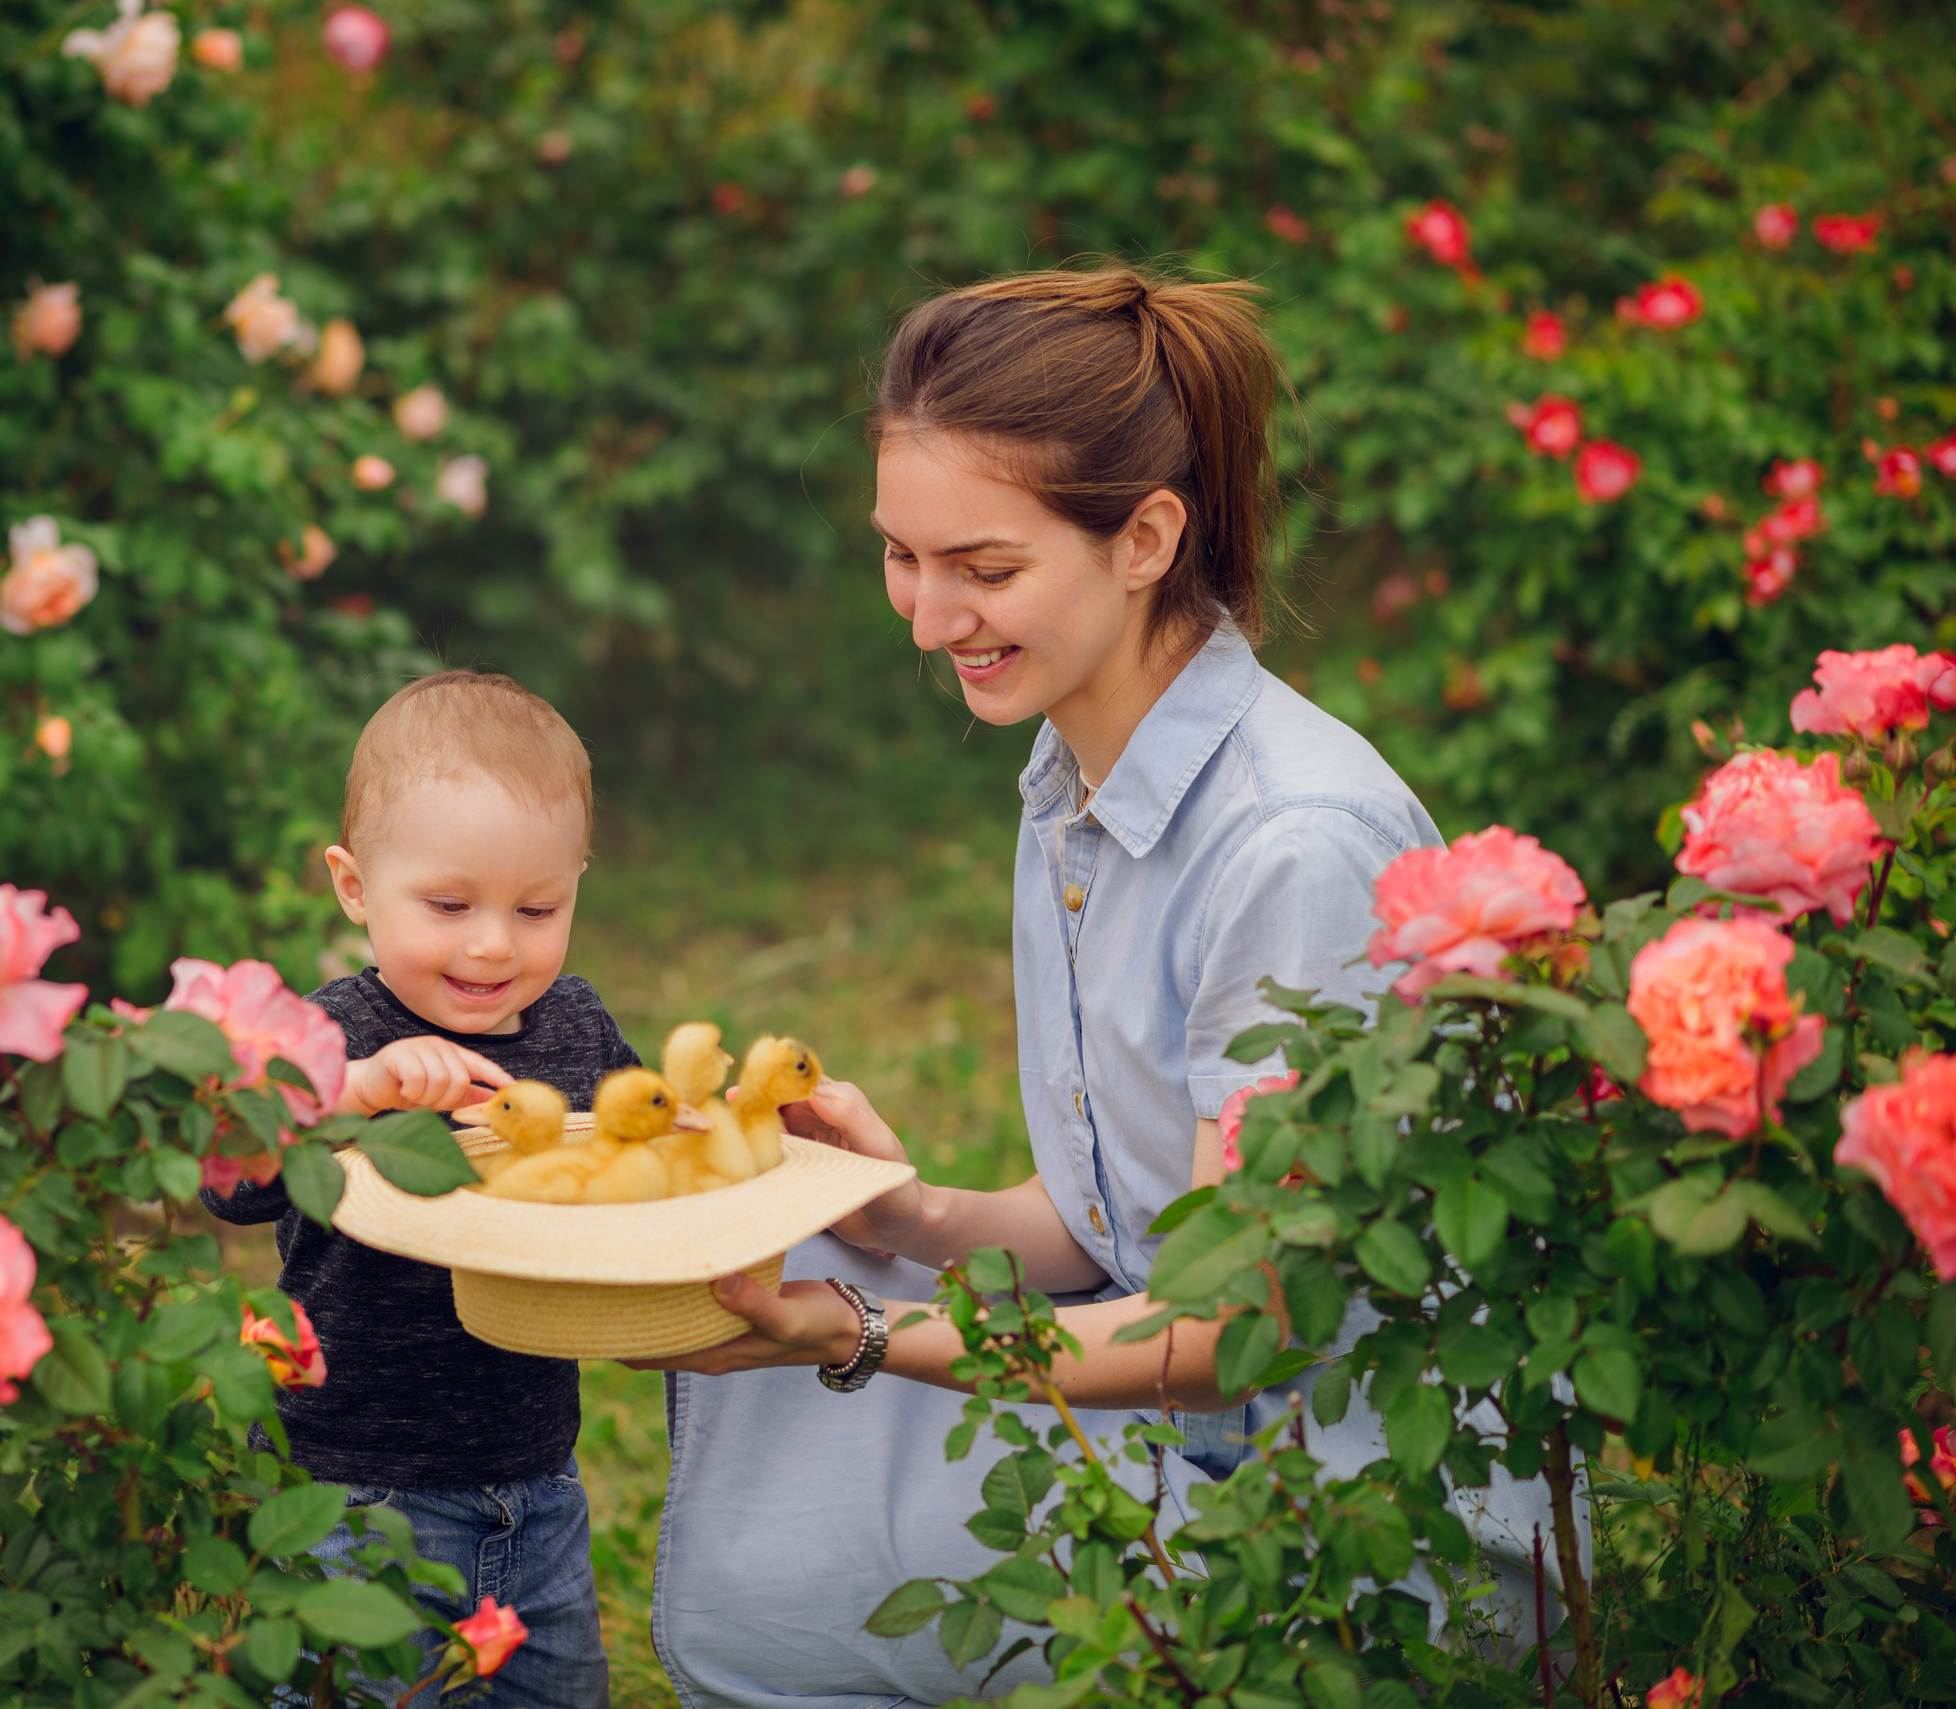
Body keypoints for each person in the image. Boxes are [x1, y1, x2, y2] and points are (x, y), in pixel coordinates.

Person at [638, 267, 1558, 1708]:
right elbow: (1120, 1222)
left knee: (830, 1357)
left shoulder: (1291, 848)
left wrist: (870, 1336)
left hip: (1358, 1531)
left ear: (1145, 538)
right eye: (901, 557)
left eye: (985, 569)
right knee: (794, 1265)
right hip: (1202, 1433)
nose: (930, 617)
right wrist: (911, 1213)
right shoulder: (1074, 768)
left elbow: (1228, 1324)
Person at [203, 670, 636, 1709]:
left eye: (538, 906)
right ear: (354, 887)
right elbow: (231, 1177)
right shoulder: (332, 1037)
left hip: (535, 1475)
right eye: (448, 904)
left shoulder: (574, 1028)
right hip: (351, 1482)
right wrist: (349, 1094)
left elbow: (638, 1155)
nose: (494, 941)